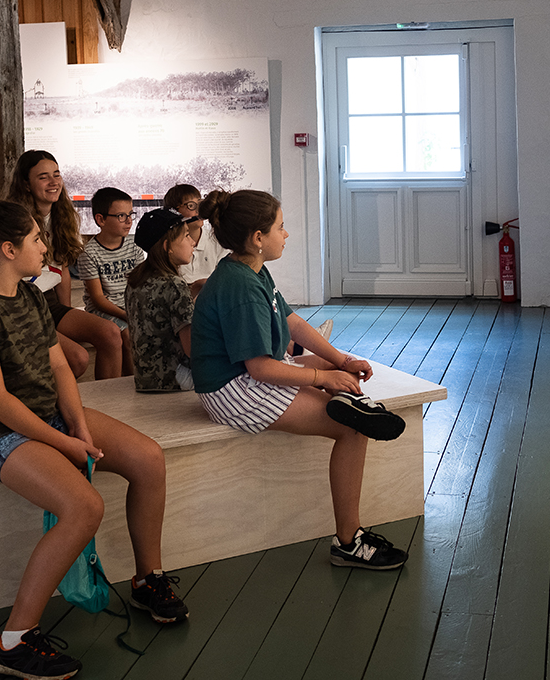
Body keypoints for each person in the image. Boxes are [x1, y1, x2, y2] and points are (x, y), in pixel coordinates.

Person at [0, 198, 187, 679]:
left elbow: (58, 367)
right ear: (8, 249)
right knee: (84, 507)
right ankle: (13, 641)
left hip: (48, 417)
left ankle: (147, 579)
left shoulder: (30, 296)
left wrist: (79, 426)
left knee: (148, 458)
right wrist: (65, 444)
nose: (45, 247)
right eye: (36, 239)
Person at [190, 189, 408, 569]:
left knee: (346, 400)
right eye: (281, 227)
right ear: (258, 238)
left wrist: (341, 360)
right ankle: (349, 542)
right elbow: (260, 369)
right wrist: (323, 377)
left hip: (249, 375)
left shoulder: (250, 268)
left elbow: (292, 321)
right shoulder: (240, 285)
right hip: (233, 389)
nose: (286, 234)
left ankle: (354, 409)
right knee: (351, 428)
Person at [6, 150, 127, 379]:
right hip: (19, 303)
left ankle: (107, 404)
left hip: (48, 301)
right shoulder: (14, 220)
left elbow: (61, 269)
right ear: (26, 184)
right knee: (78, 359)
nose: (54, 182)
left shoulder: (62, 216)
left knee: (111, 333)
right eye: (43, 177)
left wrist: (67, 315)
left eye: (57, 174)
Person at [124, 207, 198, 393]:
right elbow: (193, 349)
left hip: (146, 380)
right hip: (177, 380)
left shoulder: (135, 280)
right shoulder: (174, 285)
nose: (193, 242)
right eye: (187, 236)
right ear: (168, 246)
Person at [74, 189, 142, 370]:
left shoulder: (134, 245)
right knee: (128, 335)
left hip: (129, 306)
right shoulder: (89, 253)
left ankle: (134, 380)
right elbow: (98, 300)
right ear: (101, 220)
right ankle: (125, 385)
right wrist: (126, 314)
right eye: (121, 216)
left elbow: (142, 283)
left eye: (130, 214)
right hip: (104, 310)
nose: (128, 221)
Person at [164, 184, 227, 297]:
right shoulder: (169, 245)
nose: (199, 210)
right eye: (191, 205)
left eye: (200, 204)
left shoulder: (216, 240)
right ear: (174, 212)